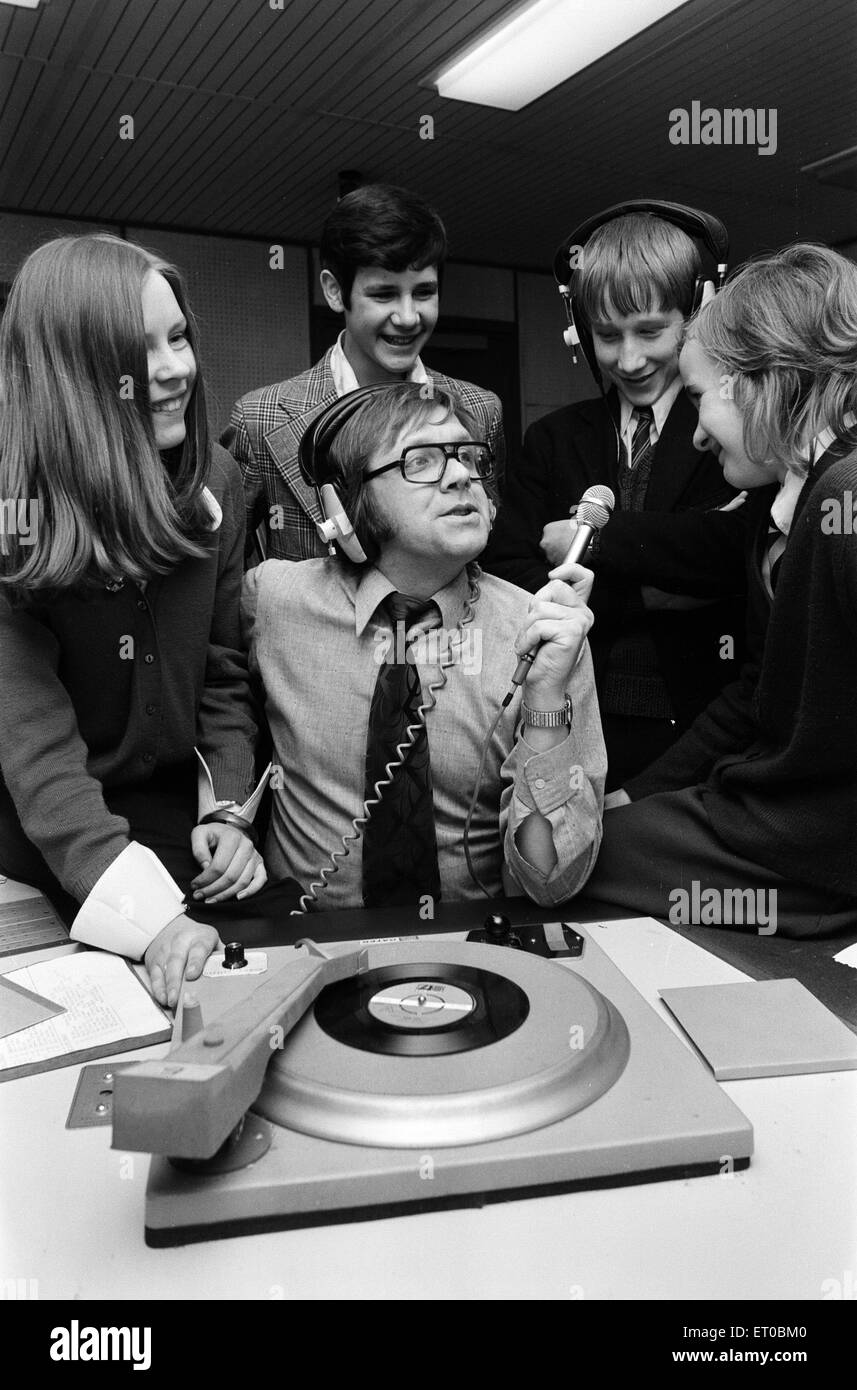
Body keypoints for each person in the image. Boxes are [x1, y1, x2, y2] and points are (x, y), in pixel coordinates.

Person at [0, 234, 291, 1008]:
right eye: (138, 351)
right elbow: (35, 750)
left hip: (172, 807)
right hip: (48, 821)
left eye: (179, 337)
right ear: (70, 372)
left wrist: (228, 808)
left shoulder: (219, 479)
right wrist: (150, 920)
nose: (175, 369)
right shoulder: (13, 512)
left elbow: (224, 674)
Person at [242, 382, 606, 911]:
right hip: (300, 940)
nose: (461, 475)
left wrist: (547, 698)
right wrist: (227, 813)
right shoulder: (272, 599)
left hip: (471, 946)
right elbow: (209, 694)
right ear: (344, 504)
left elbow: (551, 881)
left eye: (468, 458)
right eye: (423, 460)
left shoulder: (544, 632)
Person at [586, 243, 857, 938]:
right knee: (582, 847)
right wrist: (632, 795)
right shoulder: (789, 508)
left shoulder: (844, 493)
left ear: (761, 381)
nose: (698, 435)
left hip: (807, 851)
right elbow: (753, 695)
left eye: (700, 397)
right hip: (776, 825)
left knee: (565, 860)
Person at [484, 207, 747, 789]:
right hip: (577, 718)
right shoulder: (551, 440)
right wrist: (656, 588)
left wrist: (589, 546)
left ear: (697, 314)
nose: (629, 361)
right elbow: (507, 573)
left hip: (708, 728)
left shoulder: (732, 426)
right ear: (579, 331)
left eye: (651, 332)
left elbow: (728, 557)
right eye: (607, 336)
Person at [224, 183, 505, 563]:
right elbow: (223, 572)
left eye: (423, 293)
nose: (408, 317)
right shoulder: (259, 419)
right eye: (384, 295)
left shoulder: (481, 410)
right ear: (335, 291)